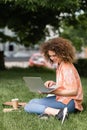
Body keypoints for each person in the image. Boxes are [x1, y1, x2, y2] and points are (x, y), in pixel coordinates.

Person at [24, 37, 83, 124]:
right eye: (50, 56)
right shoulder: (60, 65)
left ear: (63, 53)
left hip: (70, 103)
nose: (52, 58)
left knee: (28, 106)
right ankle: (47, 113)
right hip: (63, 100)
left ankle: (59, 113)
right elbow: (66, 85)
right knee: (32, 102)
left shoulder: (66, 67)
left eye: (54, 55)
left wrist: (53, 91)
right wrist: (53, 84)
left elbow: (73, 91)